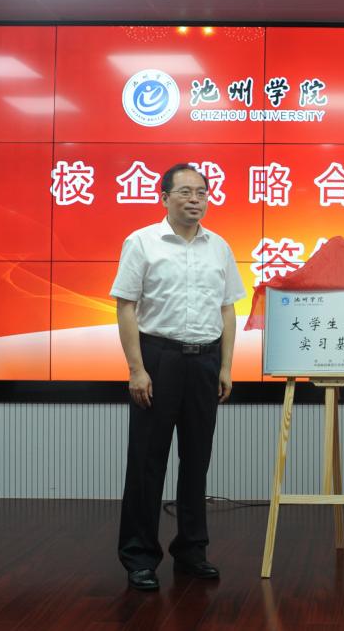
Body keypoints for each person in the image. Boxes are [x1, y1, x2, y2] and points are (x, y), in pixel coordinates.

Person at [110, 162, 245, 591]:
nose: (195, 200)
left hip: (205, 361)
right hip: (159, 359)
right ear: (164, 197)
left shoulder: (219, 247)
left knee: (196, 461)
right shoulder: (142, 242)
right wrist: (137, 369)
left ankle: (191, 550)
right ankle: (139, 556)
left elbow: (228, 309)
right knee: (147, 461)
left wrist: (225, 366)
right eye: (185, 192)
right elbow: (126, 306)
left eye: (201, 192)